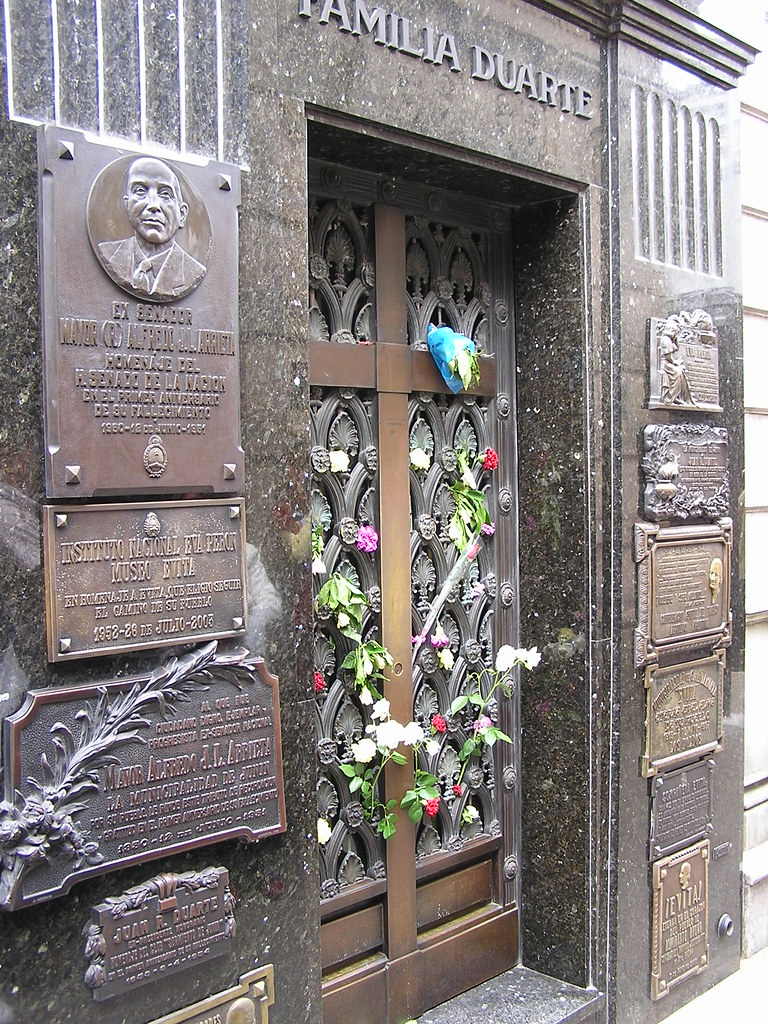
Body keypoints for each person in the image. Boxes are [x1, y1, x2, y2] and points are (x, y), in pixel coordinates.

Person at [98, 157, 206, 301]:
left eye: (165, 194)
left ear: (182, 214)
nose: (153, 204)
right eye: (140, 191)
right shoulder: (108, 254)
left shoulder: (193, 271)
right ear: (127, 205)